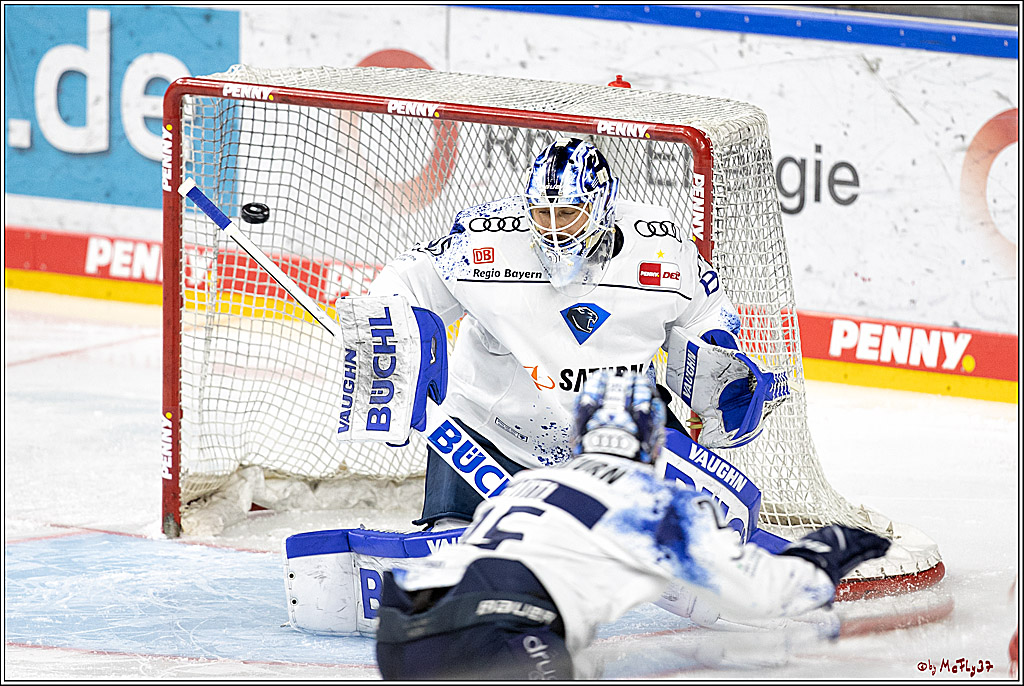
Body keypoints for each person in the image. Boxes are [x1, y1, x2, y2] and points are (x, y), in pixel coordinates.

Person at [374, 371, 891, 680]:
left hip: (401, 632)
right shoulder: (650, 498)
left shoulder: (524, 484)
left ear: (580, 434)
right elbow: (755, 595)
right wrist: (826, 553)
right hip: (500, 633)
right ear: (654, 440)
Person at [369, 136, 765, 529]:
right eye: (543, 213)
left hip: (618, 435)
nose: (555, 231)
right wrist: (399, 341)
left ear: (601, 206)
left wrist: (720, 356)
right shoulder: (484, 239)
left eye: (570, 212)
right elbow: (403, 281)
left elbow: (707, 311)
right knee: (458, 552)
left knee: (675, 552)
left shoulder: (661, 243)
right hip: (490, 434)